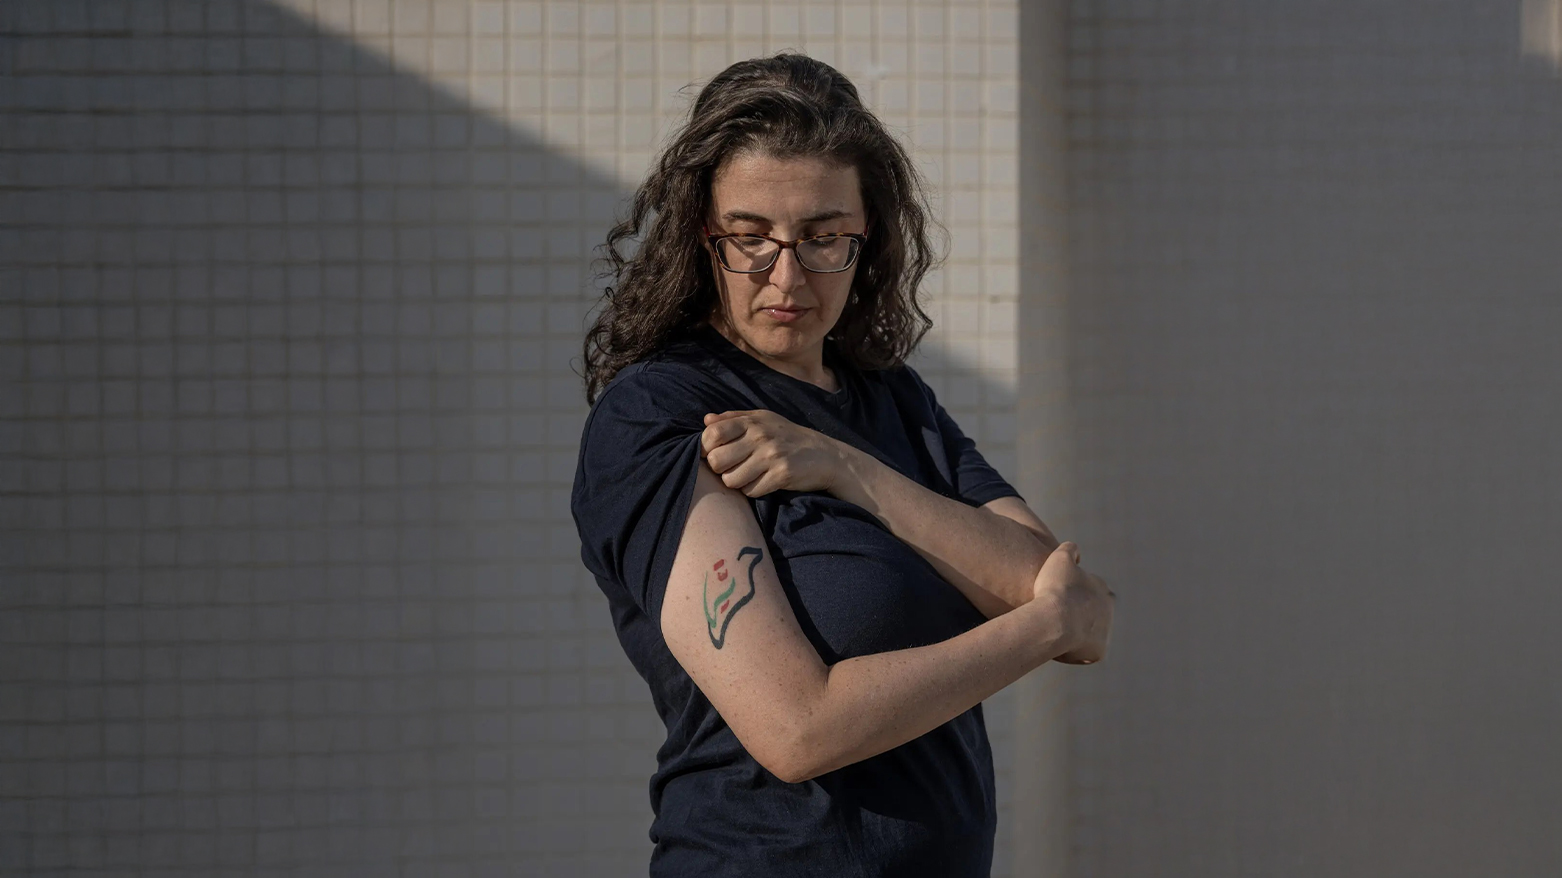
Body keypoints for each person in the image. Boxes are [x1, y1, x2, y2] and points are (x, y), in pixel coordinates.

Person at [570, 53, 1115, 877]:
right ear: (701, 238)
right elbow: (797, 730)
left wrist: (849, 471)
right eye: (750, 238)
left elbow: (1080, 606)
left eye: (824, 238)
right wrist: (1037, 629)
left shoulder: (893, 404)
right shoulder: (666, 414)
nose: (786, 276)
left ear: (869, 240)